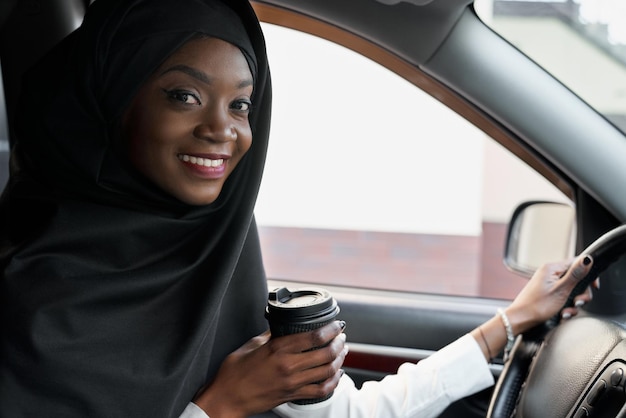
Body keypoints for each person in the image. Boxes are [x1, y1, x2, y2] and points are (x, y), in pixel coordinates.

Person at [0, 0, 596, 417]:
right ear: (112, 103)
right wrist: (222, 405)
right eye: (184, 95)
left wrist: (508, 325)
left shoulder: (211, 260)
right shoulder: (29, 301)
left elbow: (349, 412)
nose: (222, 129)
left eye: (241, 105)